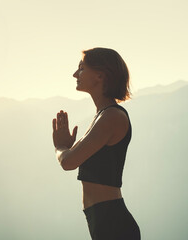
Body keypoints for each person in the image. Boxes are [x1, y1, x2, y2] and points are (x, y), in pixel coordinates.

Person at [52, 47, 140, 240]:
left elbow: (68, 162)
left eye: (82, 68)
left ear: (100, 75)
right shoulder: (102, 116)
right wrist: (66, 147)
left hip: (113, 225)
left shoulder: (111, 117)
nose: (75, 74)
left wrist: (60, 147)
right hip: (103, 222)